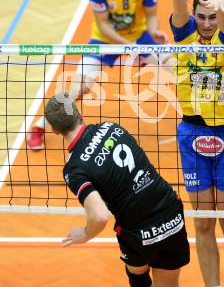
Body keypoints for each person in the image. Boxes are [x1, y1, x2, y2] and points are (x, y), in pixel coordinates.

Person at [28, 0, 169, 149]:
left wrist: (154, 31)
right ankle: (39, 125)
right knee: (79, 88)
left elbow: (151, 15)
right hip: (105, 41)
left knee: (174, 64)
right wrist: (130, 48)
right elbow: (104, 26)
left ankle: (202, 116)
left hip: (140, 37)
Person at [44, 93, 189, 287]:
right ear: (79, 114)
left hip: (138, 230)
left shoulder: (74, 169)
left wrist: (85, 234)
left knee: (138, 274)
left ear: (54, 130)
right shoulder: (112, 127)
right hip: (170, 211)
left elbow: (100, 215)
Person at [170, 0, 224, 287]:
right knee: (202, 224)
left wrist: (222, 9)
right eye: (201, 17)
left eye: (211, 16)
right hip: (191, 133)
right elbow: (178, 12)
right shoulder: (186, 35)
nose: (206, 23)